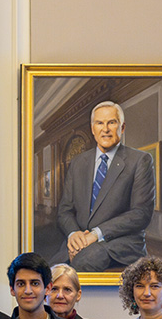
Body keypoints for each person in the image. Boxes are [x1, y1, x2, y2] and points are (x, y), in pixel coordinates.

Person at [53, 101, 156, 271]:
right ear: (93, 129)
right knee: (49, 270)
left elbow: (141, 214)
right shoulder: (78, 163)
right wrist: (74, 235)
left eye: (112, 122)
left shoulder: (140, 161)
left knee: (82, 263)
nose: (105, 129)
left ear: (122, 128)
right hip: (80, 241)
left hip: (120, 243)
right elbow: (65, 210)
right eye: (100, 123)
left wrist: (95, 234)